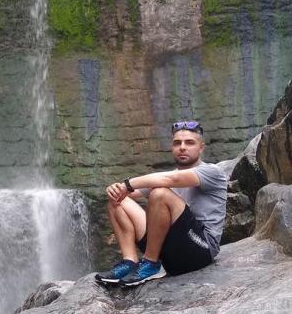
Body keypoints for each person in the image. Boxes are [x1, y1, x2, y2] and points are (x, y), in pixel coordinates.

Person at [95, 120, 228, 287]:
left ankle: (151, 263)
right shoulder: (167, 176)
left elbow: (172, 179)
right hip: (170, 250)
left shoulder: (211, 172)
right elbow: (131, 193)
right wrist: (116, 189)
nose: (182, 147)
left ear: (201, 147)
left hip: (200, 250)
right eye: (177, 143)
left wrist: (127, 184)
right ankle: (130, 262)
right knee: (117, 201)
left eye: (189, 142)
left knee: (160, 194)